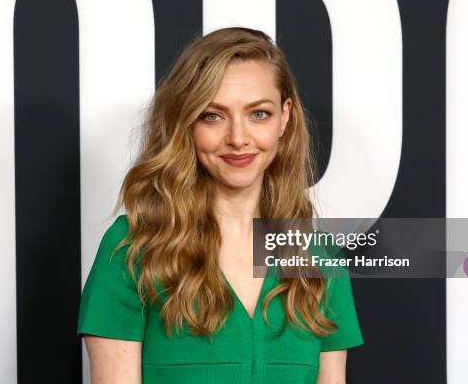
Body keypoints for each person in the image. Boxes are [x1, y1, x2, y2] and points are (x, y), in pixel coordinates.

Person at [76, 27, 363, 384]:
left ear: (284, 118)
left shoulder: (318, 258)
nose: (238, 139)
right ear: (186, 122)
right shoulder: (132, 249)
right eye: (213, 115)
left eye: (259, 114)